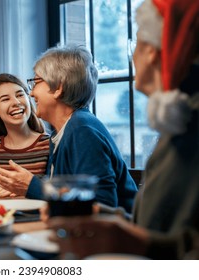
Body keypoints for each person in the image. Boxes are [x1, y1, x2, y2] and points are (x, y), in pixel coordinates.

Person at [47, 0, 199, 259]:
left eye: (135, 44)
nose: (132, 56)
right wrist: (104, 218)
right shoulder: (178, 121)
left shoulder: (191, 126)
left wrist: (140, 243)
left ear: (151, 51)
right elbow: (152, 224)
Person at [0, 45, 138, 213]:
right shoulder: (62, 132)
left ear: (58, 88)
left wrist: (31, 186)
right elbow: (67, 190)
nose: (31, 93)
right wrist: (22, 185)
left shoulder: (82, 130)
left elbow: (101, 206)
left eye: (36, 82)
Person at [0, 73, 50, 197]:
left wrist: (24, 188)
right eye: (5, 99)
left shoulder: (49, 144)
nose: (16, 102)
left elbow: (56, 189)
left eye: (20, 95)